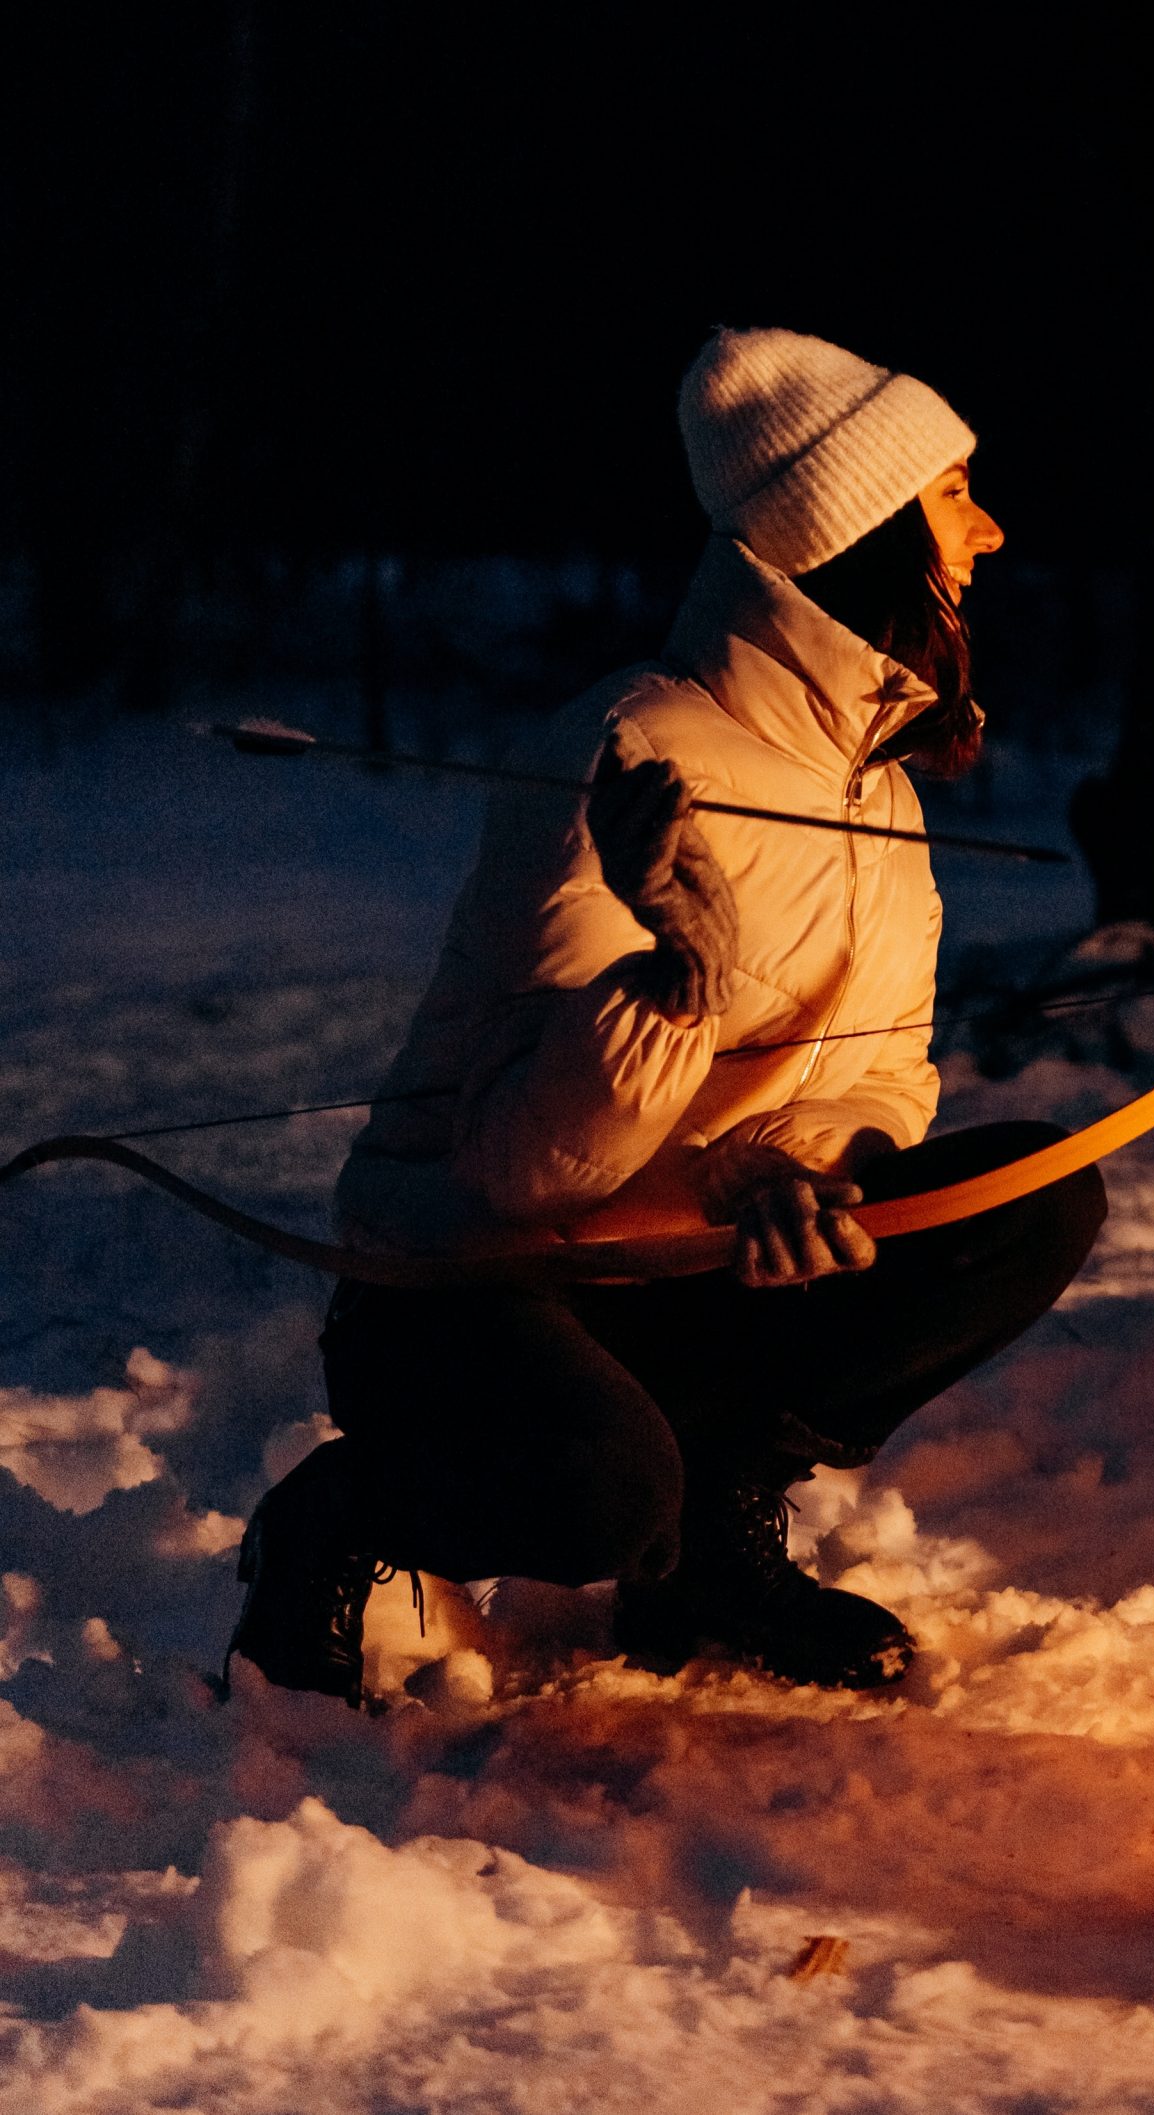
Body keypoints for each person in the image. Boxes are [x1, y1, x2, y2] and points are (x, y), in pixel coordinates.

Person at [226, 327, 1106, 1706]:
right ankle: (342, 1513)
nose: (988, 532)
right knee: (593, 1496)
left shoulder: (880, 786)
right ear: (861, 524)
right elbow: (522, 1171)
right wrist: (673, 988)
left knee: (1030, 1191)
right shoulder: (625, 754)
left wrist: (792, 1164)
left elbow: (883, 1075)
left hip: (680, 1273)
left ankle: (707, 1538)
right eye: (954, 496)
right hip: (475, 1288)